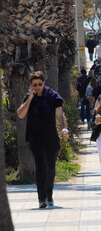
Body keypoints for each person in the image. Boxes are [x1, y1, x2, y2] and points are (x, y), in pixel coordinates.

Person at [17, 71, 68, 208]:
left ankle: (49, 194)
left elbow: (60, 114)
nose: (38, 87)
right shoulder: (29, 97)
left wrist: (64, 127)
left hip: (50, 136)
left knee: (50, 167)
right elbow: (21, 114)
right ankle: (41, 199)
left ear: (44, 83)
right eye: (35, 85)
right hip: (35, 137)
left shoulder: (53, 96)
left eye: (40, 84)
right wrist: (30, 98)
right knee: (40, 167)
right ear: (31, 85)